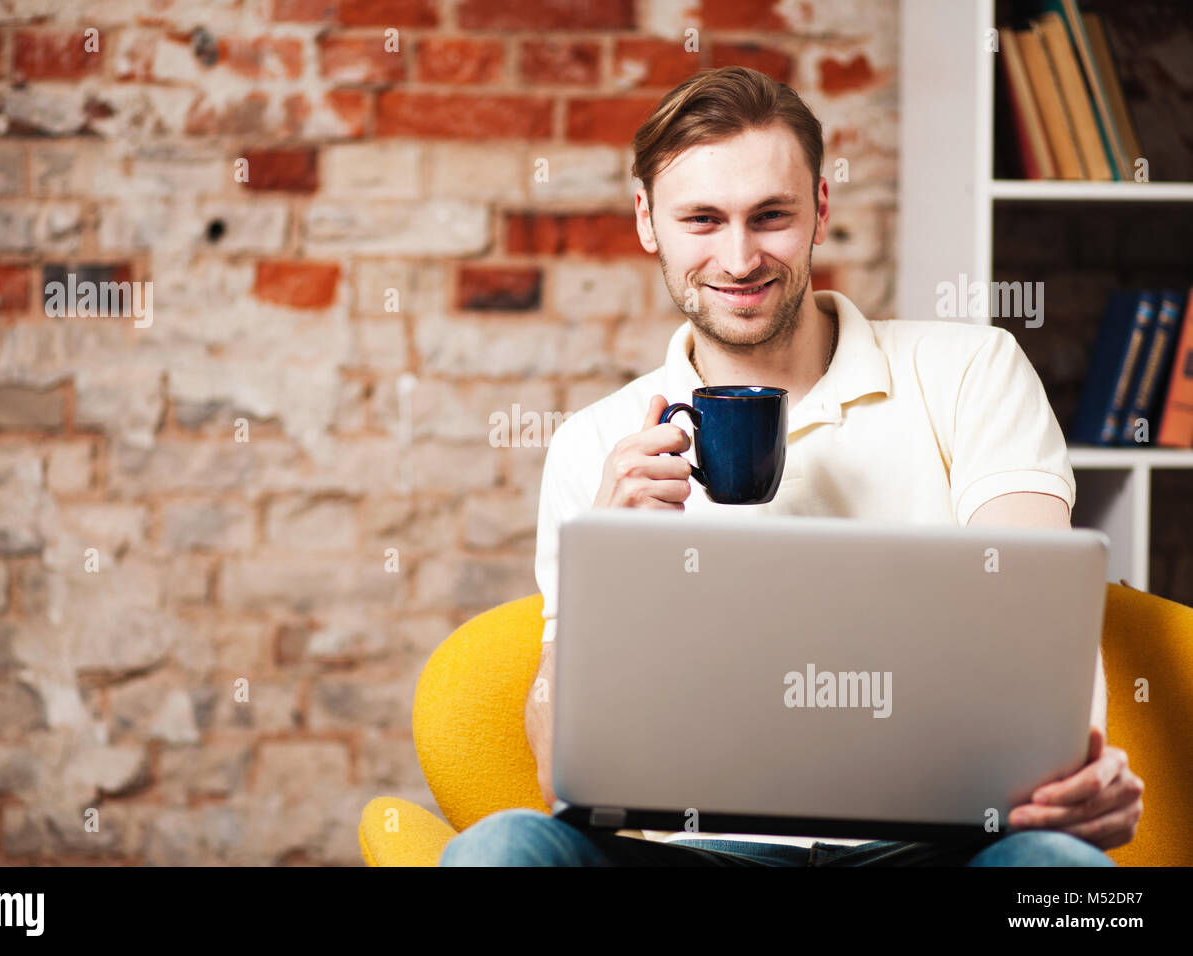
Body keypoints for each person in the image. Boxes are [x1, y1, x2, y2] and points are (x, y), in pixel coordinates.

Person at [440, 67, 1143, 866]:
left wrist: (1079, 777)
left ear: (820, 209)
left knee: (1059, 871)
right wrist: (613, 557)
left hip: (933, 848)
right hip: (705, 853)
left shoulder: (973, 369)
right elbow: (554, 764)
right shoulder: (596, 445)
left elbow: (1037, 603)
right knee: (501, 849)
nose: (738, 258)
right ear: (647, 221)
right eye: (701, 220)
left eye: (770, 216)